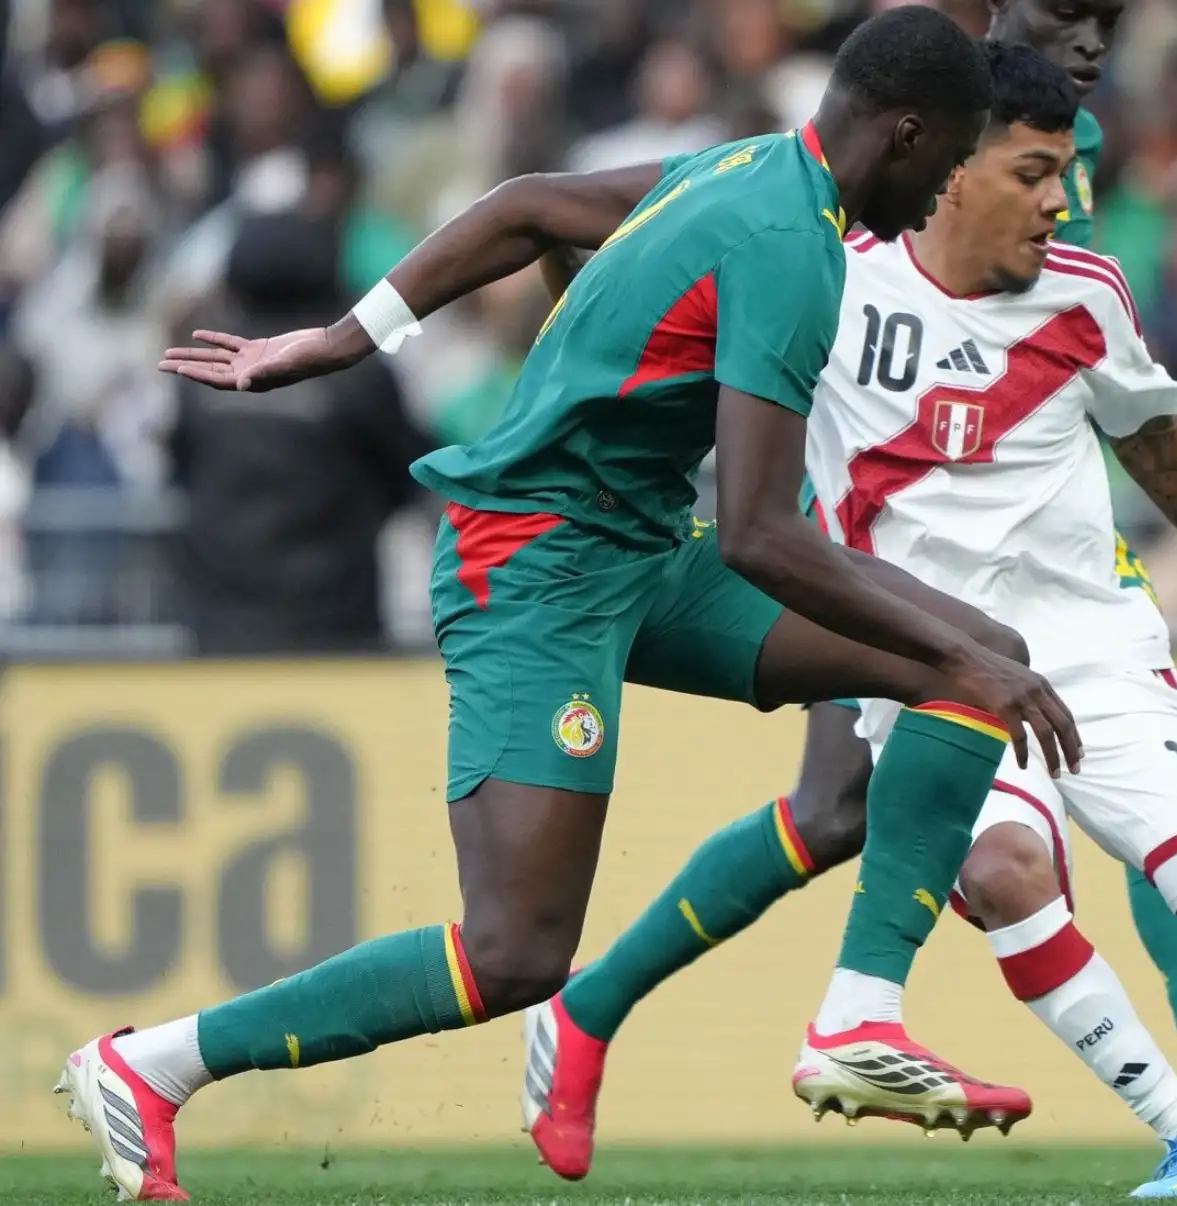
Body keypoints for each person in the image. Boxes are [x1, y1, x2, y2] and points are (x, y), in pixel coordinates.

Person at [59, 11, 1083, 1202]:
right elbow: (760, 533)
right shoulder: (789, 245)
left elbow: (531, 203)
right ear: (908, 133)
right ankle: (152, 1067)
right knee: (513, 955)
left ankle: (858, 1017)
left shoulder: (744, 166)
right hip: (535, 567)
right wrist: (356, 342)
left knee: (973, 660)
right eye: (955, 154)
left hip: (638, 549)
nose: (951, 185)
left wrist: (352, 336)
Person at [524, 1, 1177, 1187]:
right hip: (871, 556)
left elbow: (1108, 381)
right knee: (848, 809)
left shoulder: (1052, 188)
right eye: (1074, 19)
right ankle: (628, 1012)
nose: (1093, 46)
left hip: (1041, 557)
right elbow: (648, 215)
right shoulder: (897, 131)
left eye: (1109, 25)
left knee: (1101, 762)